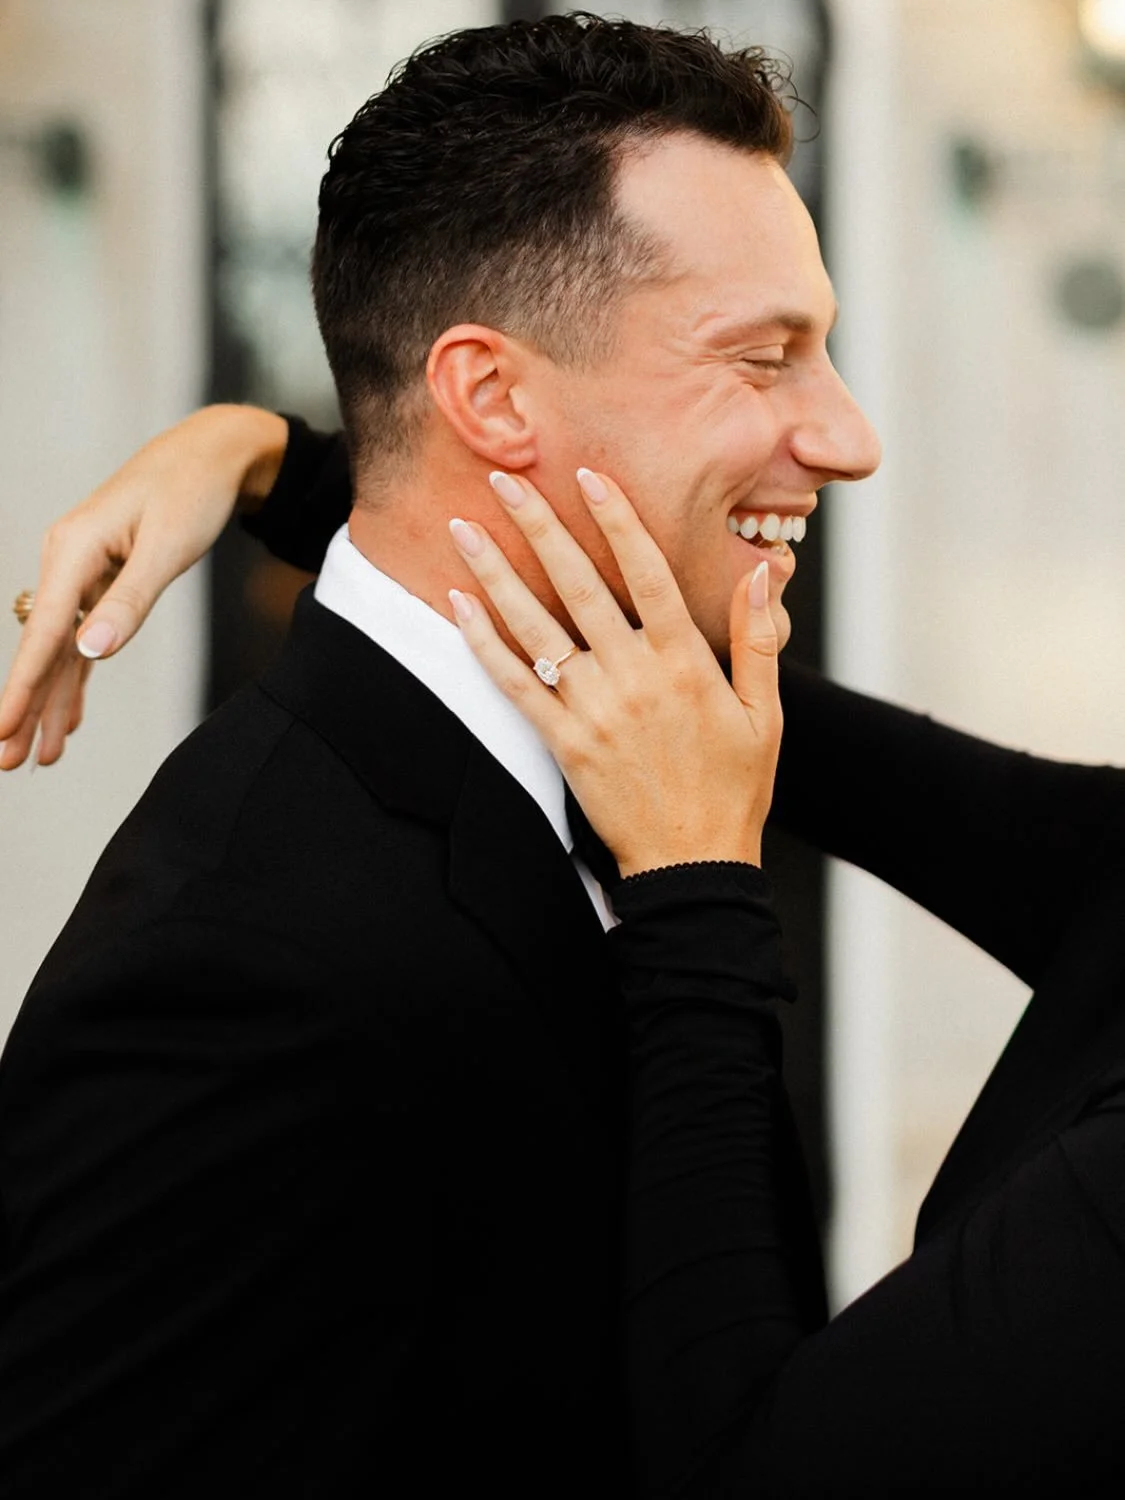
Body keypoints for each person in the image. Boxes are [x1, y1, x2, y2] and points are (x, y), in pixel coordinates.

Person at [6, 17, 1125, 1500]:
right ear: (492, 398)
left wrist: (696, 888)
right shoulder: (234, 965)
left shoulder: (602, 830)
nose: (850, 437)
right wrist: (277, 453)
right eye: (769, 354)